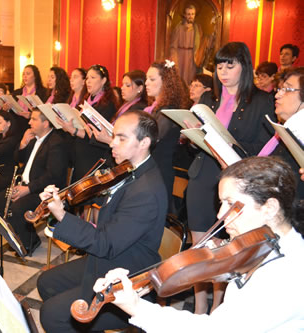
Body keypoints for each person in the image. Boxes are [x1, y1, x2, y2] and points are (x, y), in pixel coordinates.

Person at [93, 156, 304, 332]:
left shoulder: (287, 275)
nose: (221, 214)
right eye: (222, 203)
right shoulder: (259, 246)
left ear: (269, 207)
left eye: (232, 204)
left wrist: (137, 307)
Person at [37, 110, 167, 332]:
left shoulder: (146, 191)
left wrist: (61, 216)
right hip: (110, 258)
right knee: (46, 282)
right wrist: (62, 200)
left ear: (144, 142)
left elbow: (104, 243)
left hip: (128, 276)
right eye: (113, 136)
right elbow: (93, 197)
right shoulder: (127, 170)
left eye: (121, 138)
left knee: (51, 315)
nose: (112, 144)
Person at [186, 41, 275, 314]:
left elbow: (263, 145)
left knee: (227, 246)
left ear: (244, 66)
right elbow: (194, 145)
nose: (223, 72)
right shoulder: (207, 98)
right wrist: (192, 134)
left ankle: (220, 307)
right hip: (204, 176)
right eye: (219, 66)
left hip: (236, 179)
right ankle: (200, 307)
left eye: (230, 65)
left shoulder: (261, 100)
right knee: (200, 246)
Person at [0, 109, 68, 255]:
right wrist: (23, 143)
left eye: (33, 119)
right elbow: (18, 160)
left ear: (45, 123)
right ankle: (18, 235)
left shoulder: (56, 143)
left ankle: (30, 242)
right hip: (26, 184)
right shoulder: (33, 139)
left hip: (42, 190)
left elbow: (53, 175)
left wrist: (28, 189)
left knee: (17, 209)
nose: (29, 122)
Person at [57, 64, 117, 182]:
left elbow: (97, 135)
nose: (88, 81)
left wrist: (73, 130)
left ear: (103, 81)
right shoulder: (86, 101)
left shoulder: (108, 104)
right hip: (80, 153)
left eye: (93, 78)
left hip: (94, 155)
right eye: (87, 78)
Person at [144, 60, 191, 203]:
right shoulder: (157, 108)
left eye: (152, 79)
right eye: (146, 78)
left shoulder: (168, 110)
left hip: (159, 172)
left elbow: (152, 139)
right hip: (152, 171)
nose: (146, 83)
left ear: (166, 82)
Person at [258, 67, 304, 199]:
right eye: (279, 89)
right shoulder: (286, 131)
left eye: (287, 89)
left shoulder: (299, 132)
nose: (277, 95)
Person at [91, 70, 148, 145]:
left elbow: (128, 141)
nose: (122, 88)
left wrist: (107, 139)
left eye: (127, 85)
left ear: (140, 88)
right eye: (122, 84)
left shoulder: (139, 109)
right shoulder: (125, 105)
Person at [9, 64, 47, 132]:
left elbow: (44, 112)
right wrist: (7, 108)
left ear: (35, 76)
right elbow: (11, 112)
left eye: (28, 74)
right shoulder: (16, 93)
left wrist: (30, 115)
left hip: (32, 126)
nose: (25, 76)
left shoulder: (44, 92)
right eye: (23, 74)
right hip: (16, 126)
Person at [170, 4, 202, 85]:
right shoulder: (179, 28)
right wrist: (174, 59)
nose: (190, 16)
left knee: (190, 77)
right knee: (179, 77)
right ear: (185, 15)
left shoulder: (197, 29)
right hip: (180, 55)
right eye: (188, 14)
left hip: (192, 56)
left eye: (192, 14)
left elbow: (201, 45)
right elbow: (173, 46)